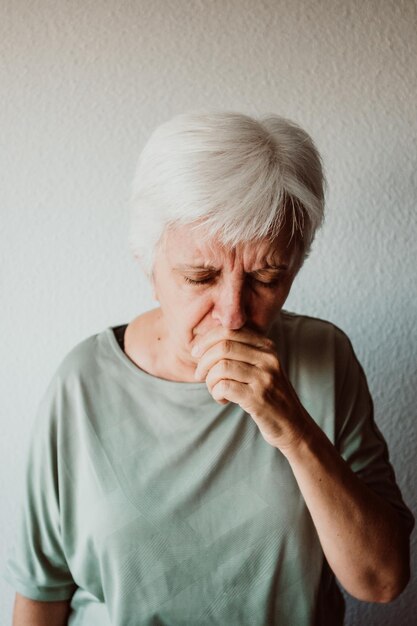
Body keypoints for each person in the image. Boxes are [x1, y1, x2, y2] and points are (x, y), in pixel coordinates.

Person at [6, 112, 414, 626]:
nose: (234, 314)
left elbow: (381, 581)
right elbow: (41, 595)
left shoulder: (325, 358)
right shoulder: (82, 382)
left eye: (267, 278)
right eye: (200, 277)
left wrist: (292, 426)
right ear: (147, 262)